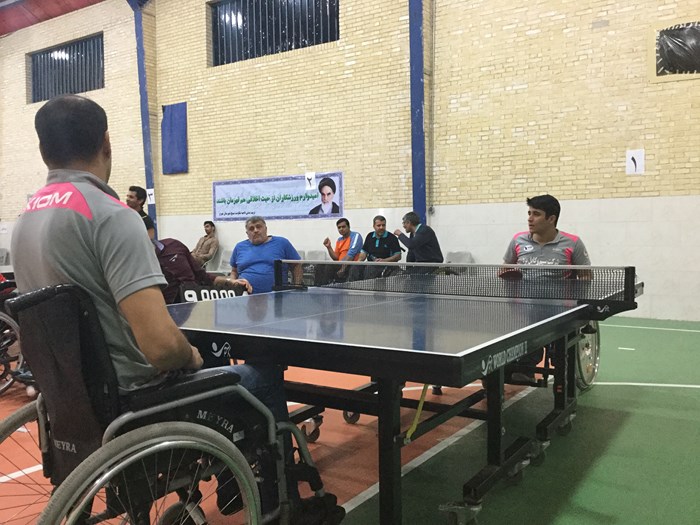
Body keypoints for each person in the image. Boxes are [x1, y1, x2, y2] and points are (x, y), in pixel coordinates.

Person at [11, 95, 342, 523]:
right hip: (136, 399)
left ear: (42, 150)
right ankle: (279, 503)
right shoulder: (111, 216)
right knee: (260, 378)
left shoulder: (24, 222)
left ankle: (232, 476)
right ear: (107, 142)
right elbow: (162, 348)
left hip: (72, 399)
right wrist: (191, 356)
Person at [502, 194, 591, 383]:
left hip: (560, 308)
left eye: (536, 214)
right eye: (529, 213)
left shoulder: (572, 243)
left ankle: (563, 372)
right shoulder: (518, 240)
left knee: (561, 356)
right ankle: (524, 369)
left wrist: (579, 305)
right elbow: (504, 268)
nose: (530, 218)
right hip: (526, 306)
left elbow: (585, 277)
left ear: (551, 218)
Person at [155, 237, 247, 304]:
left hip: (194, 305)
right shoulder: (147, 262)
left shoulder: (174, 245)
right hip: (165, 310)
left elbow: (203, 276)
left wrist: (230, 281)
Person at [229, 216, 303, 294]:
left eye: (258, 227)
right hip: (245, 295)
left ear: (266, 229)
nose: (255, 230)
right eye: (251, 228)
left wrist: (297, 287)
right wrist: (233, 283)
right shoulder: (239, 247)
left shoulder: (282, 243)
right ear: (247, 233)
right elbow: (234, 271)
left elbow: (296, 266)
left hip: (277, 296)